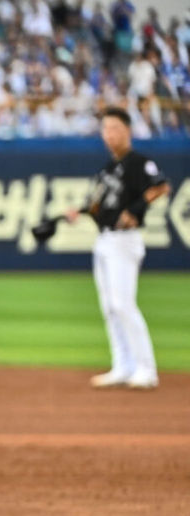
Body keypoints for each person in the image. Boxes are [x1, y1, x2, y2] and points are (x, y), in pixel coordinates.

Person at [66, 107, 170, 389]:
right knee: (110, 307)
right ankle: (123, 365)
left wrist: (135, 209)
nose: (109, 134)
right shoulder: (107, 169)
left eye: (115, 128)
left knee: (123, 304)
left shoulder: (139, 162)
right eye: (105, 129)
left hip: (125, 240)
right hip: (104, 239)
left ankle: (146, 369)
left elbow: (161, 186)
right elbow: (98, 204)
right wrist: (80, 212)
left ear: (128, 131)